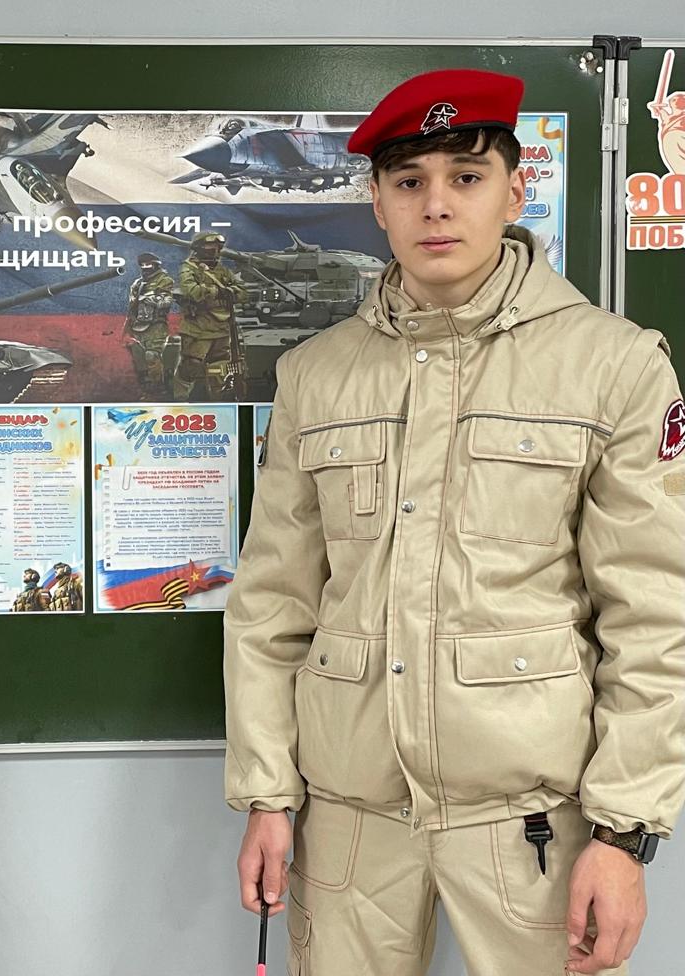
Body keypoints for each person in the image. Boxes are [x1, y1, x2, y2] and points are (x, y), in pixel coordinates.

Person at [224, 69, 685, 976]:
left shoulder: (615, 367)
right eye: (409, 181)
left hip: (534, 826)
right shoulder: (316, 375)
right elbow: (272, 605)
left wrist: (624, 834)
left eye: (466, 177)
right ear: (377, 203)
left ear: (516, 190)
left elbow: (655, 615)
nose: (436, 205)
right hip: (348, 820)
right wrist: (267, 794)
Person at [173, 232, 248, 401]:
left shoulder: (222, 271)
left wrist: (231, 292)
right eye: (209, 246)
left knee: (219, 367)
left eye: (217, 246)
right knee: (191, 367)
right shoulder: (188, 269)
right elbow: (192, 292)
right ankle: (180, 399)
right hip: (198, 329)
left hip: (221, 328)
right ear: (199, 248)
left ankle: (217, 399)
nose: (214, 249)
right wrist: (218, 292)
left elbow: (243, 292)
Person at [123, 251, 174, 397]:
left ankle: (158, 390)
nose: (145, 267)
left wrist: (149, 298)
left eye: (149, 264)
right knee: (139, 360)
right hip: (138, 326)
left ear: (156, 265)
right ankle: (147, 389)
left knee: (152, 355)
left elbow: (166, 302)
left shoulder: (164, 280)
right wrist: (127, 328)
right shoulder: (137, 284)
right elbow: (132, 308)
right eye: (143, 265)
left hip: (156, 325)